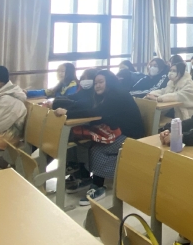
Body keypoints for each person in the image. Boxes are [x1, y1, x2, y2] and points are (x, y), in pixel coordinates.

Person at [57, 70, 144, 204]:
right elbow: (85, 105)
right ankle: (85, 177)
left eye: (101, 82)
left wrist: (68, 113)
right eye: (96, 83)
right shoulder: (102, 95)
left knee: (97, 148)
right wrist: (59, 105)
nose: (97, 86)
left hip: (130, 136)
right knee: (82, 142)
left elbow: (96, 112)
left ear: (109, 82)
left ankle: (98, 185)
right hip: (114, 131)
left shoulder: (118, 95)